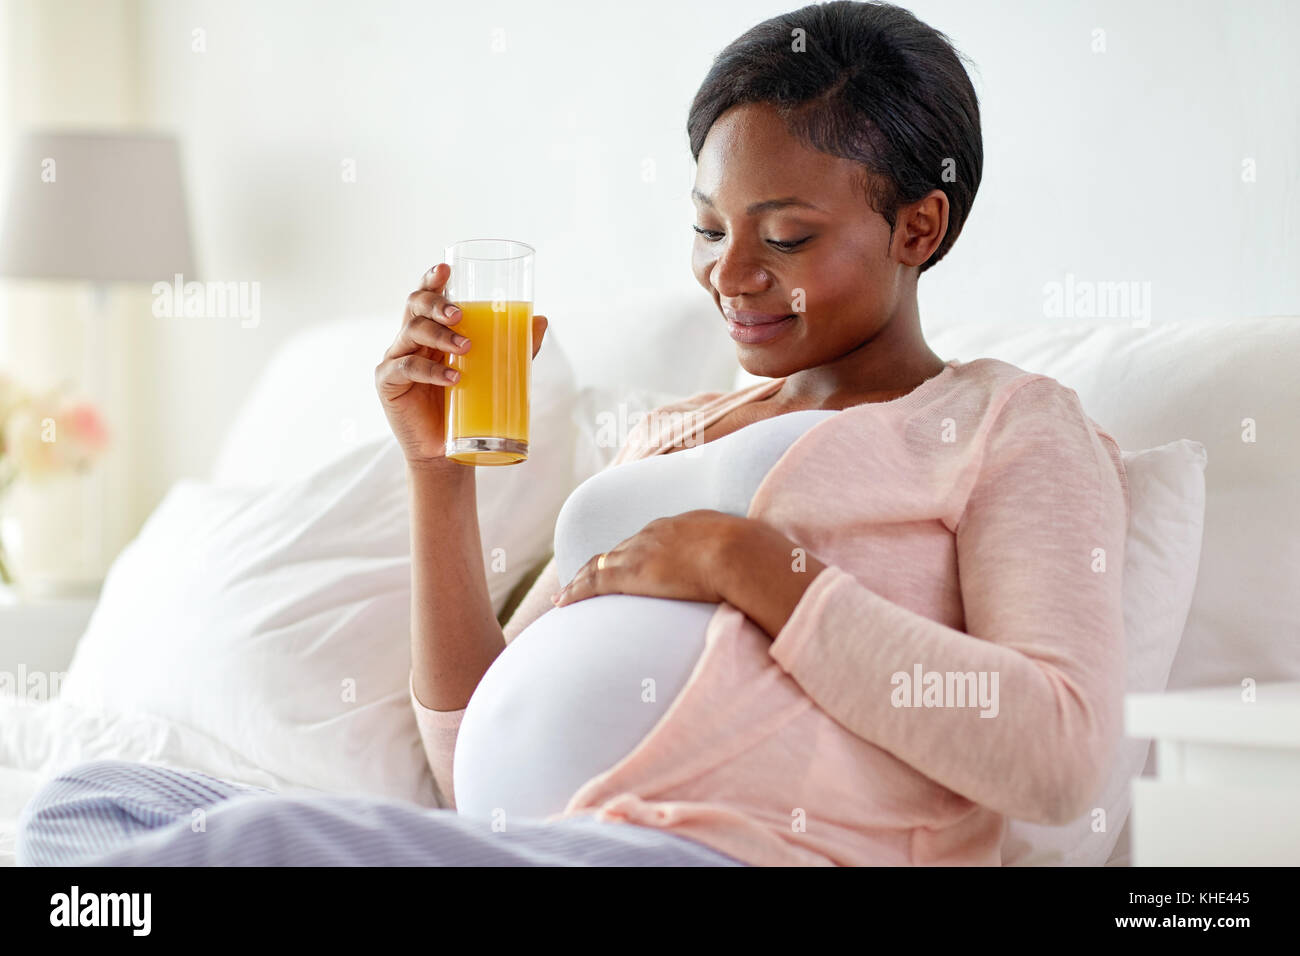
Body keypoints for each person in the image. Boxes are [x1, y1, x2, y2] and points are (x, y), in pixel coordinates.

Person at [17, 0, 1127, 867]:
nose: (729, 275)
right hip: (534, 840)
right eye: (705, 228)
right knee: (96, 803)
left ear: (917, 224)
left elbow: (1059, 755)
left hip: (740, 849)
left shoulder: (1002, 424)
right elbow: (471, 755)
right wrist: (438, 475)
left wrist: (754, 564)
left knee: (236, 854)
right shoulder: (665, 436)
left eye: (783, 236)